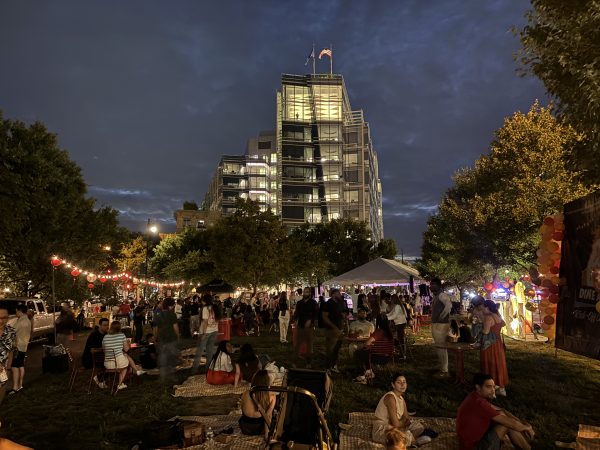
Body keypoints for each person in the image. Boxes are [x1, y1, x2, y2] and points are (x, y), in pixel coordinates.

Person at [456, 373, 534, 450]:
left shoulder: (475, 397)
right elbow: (512, 424)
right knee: (506, 423)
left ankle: (527, 447)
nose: (493, 390)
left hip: (472, 442)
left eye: (493, 387)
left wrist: (521, 422)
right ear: (478, 387)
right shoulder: (480, 404)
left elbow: (501, 410)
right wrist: (528, 427)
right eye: (489, 387)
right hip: (474, 447)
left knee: (503, 416)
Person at [372, 373, 429, 446]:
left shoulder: (402, 399)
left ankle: (409, 440)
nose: (402, 385)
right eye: (399, 382)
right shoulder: (390, 397)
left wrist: (403, 422)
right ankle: (412, 442)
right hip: (382, 428)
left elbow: (407, 418)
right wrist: (403, 422)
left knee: (418, 427)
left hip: (396, 426)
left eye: (404, 382)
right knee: (396, 436)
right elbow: (396, 423)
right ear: (393, 385)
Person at [478, 300, 509, 396]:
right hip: (497, 343)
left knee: (489, 363)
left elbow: (485, 332)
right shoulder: (497, 316)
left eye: (483, 307)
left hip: (489, 344)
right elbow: (503, 324)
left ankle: (490, 389)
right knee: (498, 364)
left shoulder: (488, 317)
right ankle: (501, 387)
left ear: (487, 308)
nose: (482, 309)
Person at [353, 315, 395, 384]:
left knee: (359, 353)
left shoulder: (379, 332)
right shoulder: (389, 332)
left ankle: (364, 375)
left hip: (379, 358)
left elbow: (367, 342)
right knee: (365, 352)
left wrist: (366, 345)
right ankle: (368, 371)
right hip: (388, 358)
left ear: (378, 322)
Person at [239, 369, 276, 436]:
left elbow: (242, 411)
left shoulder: (245, 393)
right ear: (267, 381)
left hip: (244, 428)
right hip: (260, 430)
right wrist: (267, 435)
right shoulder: (272, 396)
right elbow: (268, 417)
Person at [429, 277, 452, 378]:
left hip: (441, 325)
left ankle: (444, 370)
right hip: (438, 324)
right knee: (440, 347)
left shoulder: (442, 295)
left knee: (441, 347)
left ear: (439, 286)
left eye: (434, 284)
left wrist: (441, 317)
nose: (431, 286)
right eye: (431, 284)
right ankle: (443, 368)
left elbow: (448, 306)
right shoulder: (437, 296)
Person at [153, 297, 180, 381]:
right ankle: (172, 375)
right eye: (173, 305)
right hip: (171, 338)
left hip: (161, 338)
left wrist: (155, 338)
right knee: (172, 356)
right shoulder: (172, 315)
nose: (173, 307)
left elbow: (155, 328)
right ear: (170, 306)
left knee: (162, 356)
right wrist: (178, 336)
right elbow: (175, 327)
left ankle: (162, 376)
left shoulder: (157, 315)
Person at [192, 294, 221, 372]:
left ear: (204, 300)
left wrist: (203, 333)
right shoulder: (215, 307)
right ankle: (208, 368)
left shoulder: (205, 308)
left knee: (200, 350)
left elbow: (205, 322)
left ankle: (194, 369)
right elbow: (218, 319)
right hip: (214, 330)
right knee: (210, 350)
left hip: (206, 332)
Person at [102, 321, 133, 390]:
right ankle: (120, 384)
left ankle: (120, 383)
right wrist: (128, 343)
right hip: (118, 363)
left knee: (123, 361)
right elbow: (126, 349)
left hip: (107, 364)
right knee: (126, 365)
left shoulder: (105, 337)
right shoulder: (122, 335)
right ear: (120, 328)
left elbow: (104, 350)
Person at [292, 287, 318, 368]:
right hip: (300, 325)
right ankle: (295, 361)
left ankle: (308, 362)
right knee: (298, 343)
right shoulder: (299, 303)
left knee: (309, 344)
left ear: (310, 293)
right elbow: (297, 313)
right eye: (304, 292)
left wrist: (311, 320)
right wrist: (295, 319)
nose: (305, 293)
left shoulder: (313, 303)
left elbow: (316, 314)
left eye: (307, 292)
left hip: (309, 326)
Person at [321, 288, 345, 372]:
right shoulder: (328, 303)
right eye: (338, 293)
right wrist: (334, 327)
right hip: (331, 330)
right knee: (330, 349)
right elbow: (324, 317)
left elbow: (341, 313)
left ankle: (334, 365)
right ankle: (327, 367)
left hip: (340, 329)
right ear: (333, 294)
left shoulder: (339, 303)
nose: (340, 295)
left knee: (337, 348)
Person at [9, 305, 31, 394]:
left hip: (18, 347)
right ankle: (20, 385)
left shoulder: (21, 321)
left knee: (14, 367)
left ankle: (15, 388)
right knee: (20, 366)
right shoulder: (27, 320)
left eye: (16, 311)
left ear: (20, 311)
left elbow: (12, 331)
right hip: (24, 346)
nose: (16, 313)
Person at [82, 318, 110, 387]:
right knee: (112, 364)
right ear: (100, 325)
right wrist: (103, 349)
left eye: (108, 325)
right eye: (105, 325)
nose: (107, 327)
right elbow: (92, 350)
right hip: (90, 360)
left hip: (101, 357)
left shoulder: (106, 335)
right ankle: (99, 378)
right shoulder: (94, 335)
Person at [0, 308, 16, 404]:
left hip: (4, 371)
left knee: (1, 393)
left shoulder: (11, 332)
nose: (1, 321)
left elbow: (11, 351)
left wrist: (9, 369)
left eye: (4, 318)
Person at [387, 294, 408, 359]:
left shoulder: (397, 306)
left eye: (391, 299)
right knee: (400, 338)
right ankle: (401, 353)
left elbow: (394, 315)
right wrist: (386, 315)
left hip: (400, 323)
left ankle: (403, 354)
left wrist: (386, 318)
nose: (391, 300)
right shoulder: (397, 306)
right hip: (400, 323)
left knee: (400, 339)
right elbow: (391, 313)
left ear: (394, 299)